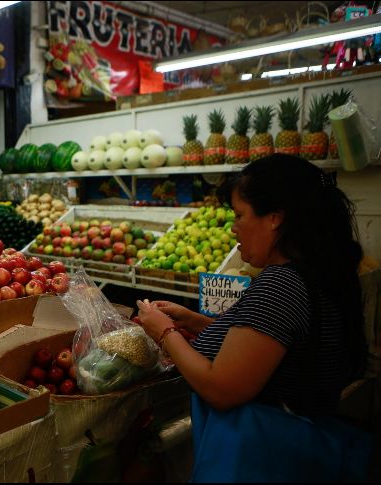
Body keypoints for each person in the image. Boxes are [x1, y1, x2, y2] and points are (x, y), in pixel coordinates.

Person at [136, 154, 368, 480]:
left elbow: (221, 389)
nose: (234, 228)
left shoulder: (281, 284)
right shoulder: (319, 274)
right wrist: (197, 321)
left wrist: (164, 333)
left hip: (263, 457)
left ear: (274, 218)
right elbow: (271, 344)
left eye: (239, 215)